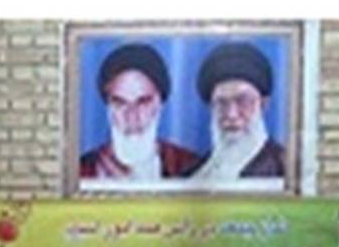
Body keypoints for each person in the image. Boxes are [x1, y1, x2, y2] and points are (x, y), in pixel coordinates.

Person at [79, 43, 201, 182]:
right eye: (120, 103)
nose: (132, 117)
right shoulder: (81, 171)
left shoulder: (191, 167)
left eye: (143, 103)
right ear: (108, 108)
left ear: (159, 105)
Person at [189, 42, 286, 183]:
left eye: (242, 101)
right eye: (221, 103)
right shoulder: (193, 173)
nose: (231, 115)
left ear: (263, 104)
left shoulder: (287, 168)